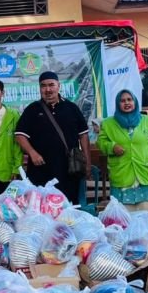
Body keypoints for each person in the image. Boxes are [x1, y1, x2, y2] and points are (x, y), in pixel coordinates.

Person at [15, 71, 90, 204]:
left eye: (51, 85)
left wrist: (87, 162)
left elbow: (83, 136)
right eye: (43, 86)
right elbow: (20, 135)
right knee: (41, 208)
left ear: (58, 86)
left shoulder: (72, 108)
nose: (48, 89)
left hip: (68, 170)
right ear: (39, 88)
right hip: (40, 170)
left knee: (69, 208)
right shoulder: (32, 109)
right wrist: (32, 153)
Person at [98, 90, 148, 220]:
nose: (126, 103)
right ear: (118, 104)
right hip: (122, 175)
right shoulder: (108, 124)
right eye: (122, 101)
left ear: (135, 102)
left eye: (129, 99)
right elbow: (101, 142)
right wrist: (112, 147)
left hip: (147, 173)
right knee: (126, 222)